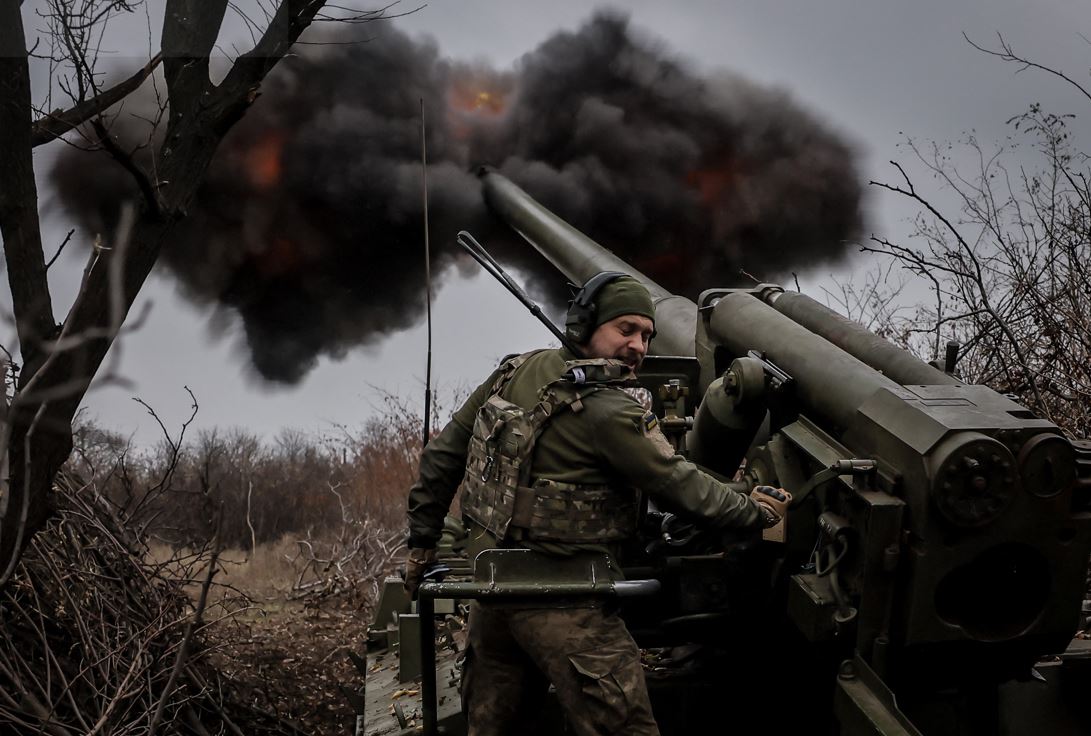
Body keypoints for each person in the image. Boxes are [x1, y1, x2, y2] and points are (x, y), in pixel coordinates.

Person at [404, 272, 790, 736]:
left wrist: (422, 544)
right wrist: (754, 511)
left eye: (646, 335)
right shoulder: (609, 409)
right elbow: (677, 483)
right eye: (624, 330)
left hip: (494, 591)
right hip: (567, 601)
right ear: (584, 326)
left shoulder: (514, 371)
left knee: (491, 726)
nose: (638, 347)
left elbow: (443, 455)